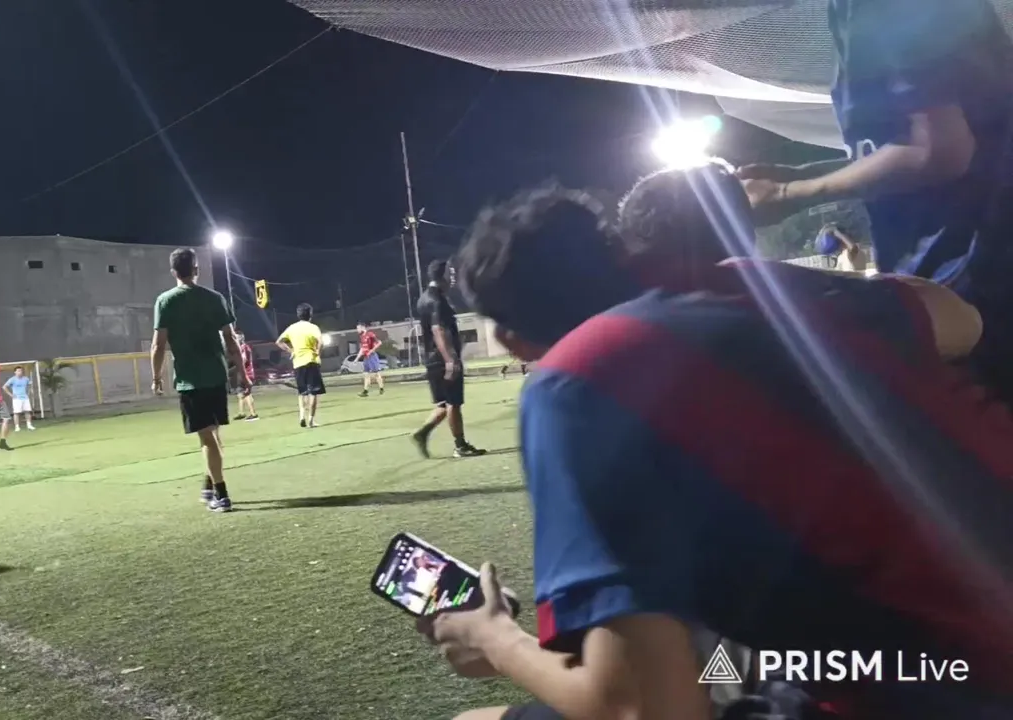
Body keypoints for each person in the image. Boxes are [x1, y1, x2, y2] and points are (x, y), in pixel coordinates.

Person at [416, 174, 1011, 720]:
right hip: (942, 648)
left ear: (512, 340)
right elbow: (963, 321)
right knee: (719, 655)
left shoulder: (578, 380)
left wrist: (496, 639)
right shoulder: (750, 284)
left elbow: (645, 710)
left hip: (949, 688)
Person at [738, 0, 1013, 405]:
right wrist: (798, 175)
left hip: (978, 267)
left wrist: (787, 195)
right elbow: (918, 140)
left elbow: (941, 150)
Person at [151, 247, 243, 512]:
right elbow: (231, 339)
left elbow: (158, 345)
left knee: (207, 438)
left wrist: (156, 377)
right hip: (216, 375)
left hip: (190, 380)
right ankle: (209, 485)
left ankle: (221, 494)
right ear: (196, 269)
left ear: (173, 272)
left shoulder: (165, 301)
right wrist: (243, 373)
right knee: (213, 433)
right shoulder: (215, 298)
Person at [411, 259, 485, 458]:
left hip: (432, 359)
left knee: (443, 404)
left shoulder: (424, 298)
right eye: (450, 274)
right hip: (442, 359)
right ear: (442, 275)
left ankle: (422, 433)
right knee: (454, 403)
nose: (453, 278)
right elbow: (439, 330)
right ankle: (460, 446)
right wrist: (450, 359)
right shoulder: (438, 300)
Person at [277, 303, 325, 428]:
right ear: (310, 315)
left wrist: (291, 351)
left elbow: (279, 342)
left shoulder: (292, 328)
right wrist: (317, 352)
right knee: (313, 392)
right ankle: (311, 420)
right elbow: (321, 342)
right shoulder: (313, 327)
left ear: (298, 315)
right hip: (311, 361)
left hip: (298, 363)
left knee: (302, 392)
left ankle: (302, 416)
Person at [233, 331, 259, 422]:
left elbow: (244, 360)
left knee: (247, 393)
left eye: (237, 337)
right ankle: (241, 413)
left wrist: (236, 365)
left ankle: (253, 414)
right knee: (240, 394)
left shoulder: (244, 347)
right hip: (242, 373)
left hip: (246, 373)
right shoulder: (241, 347)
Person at [355, 322, 385, 397]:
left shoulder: (370, 334)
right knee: (366, 374)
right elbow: (362, 348)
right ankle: (365, 391)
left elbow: (379, 342)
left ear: (362, 328)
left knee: (376, 374)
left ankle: (381, 388)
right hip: (366, 357)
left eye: (358, 328)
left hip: (372, 356)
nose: (357, 330)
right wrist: (357, 358)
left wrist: (371, 350)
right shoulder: (362, 336)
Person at [3, 366, 36, 432]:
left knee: (27, 411)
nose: (20, 372)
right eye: (18, 371)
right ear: (15, 372)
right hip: (17, 399)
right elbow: (4, 387)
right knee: (16, 413)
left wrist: (29, 392)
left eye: (21, 371)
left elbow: (30, 385)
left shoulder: (26, 379)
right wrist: (11, 395)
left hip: (25, 398)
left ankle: (29, 425)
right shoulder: (12, 379)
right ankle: (17, 427)